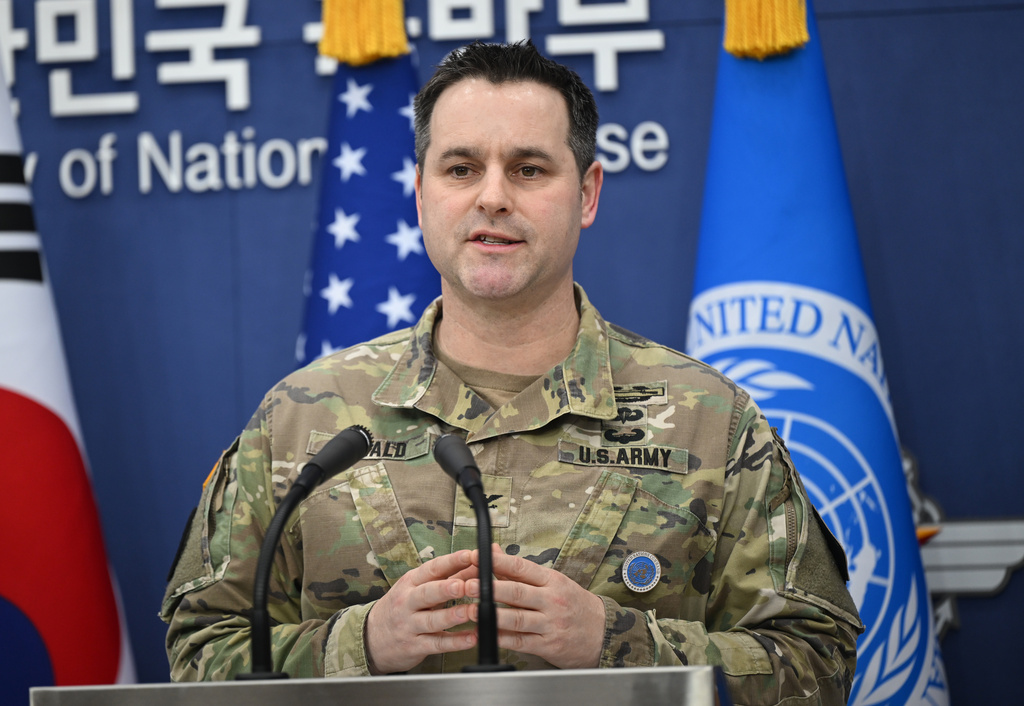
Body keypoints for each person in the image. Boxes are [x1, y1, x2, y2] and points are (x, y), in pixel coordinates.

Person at [162, 40, 862, 704]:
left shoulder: (711, 420)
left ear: (587, 194)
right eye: (461, 169)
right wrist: (362, 643)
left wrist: (614, 641)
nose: (492, 197)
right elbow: (198, 656)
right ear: (421, 194)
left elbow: (819, 669)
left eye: (529, 169)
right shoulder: (304, 419)